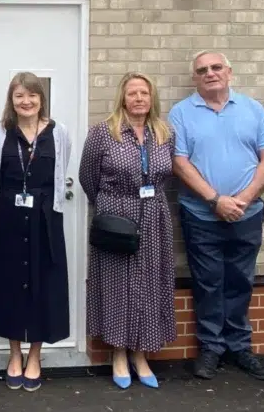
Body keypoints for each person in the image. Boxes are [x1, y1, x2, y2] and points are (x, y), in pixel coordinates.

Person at [168, 51, 264, 382]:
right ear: (195, 78)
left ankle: (240, 347)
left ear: (229, 72)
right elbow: (179, 163)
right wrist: (215, 199)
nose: (210, 73)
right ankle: (211, 349)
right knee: (208, 282)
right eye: (202, 70)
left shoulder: (252, 109)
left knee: (241, 280)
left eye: (216, 68)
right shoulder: (182, 113)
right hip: (201, 216)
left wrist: (242, 200)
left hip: (247, 214)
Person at [80, 72, 176, 389]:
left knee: (148, 283)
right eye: (132, 93)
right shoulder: (103, 133)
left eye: (144, 93)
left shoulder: (164, 133)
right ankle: (118, 353)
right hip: (117, 216)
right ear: (122, 97)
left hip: (154, 217)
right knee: (118, 285)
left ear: (152, 98)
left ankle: (140, 354)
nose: (138, 98)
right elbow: (87, 177)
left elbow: (166, 174)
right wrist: (109, 206)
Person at [0, 72, 72, 392]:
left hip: (45, 218)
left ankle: (35, 355)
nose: (26, 101)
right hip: (8, 217)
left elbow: (60, 175)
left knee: (42, 285)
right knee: (10, 287)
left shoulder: (59, 132)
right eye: (19, 96)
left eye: (32, 95)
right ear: (11, 100)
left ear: (41, 99)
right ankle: (14, 355)